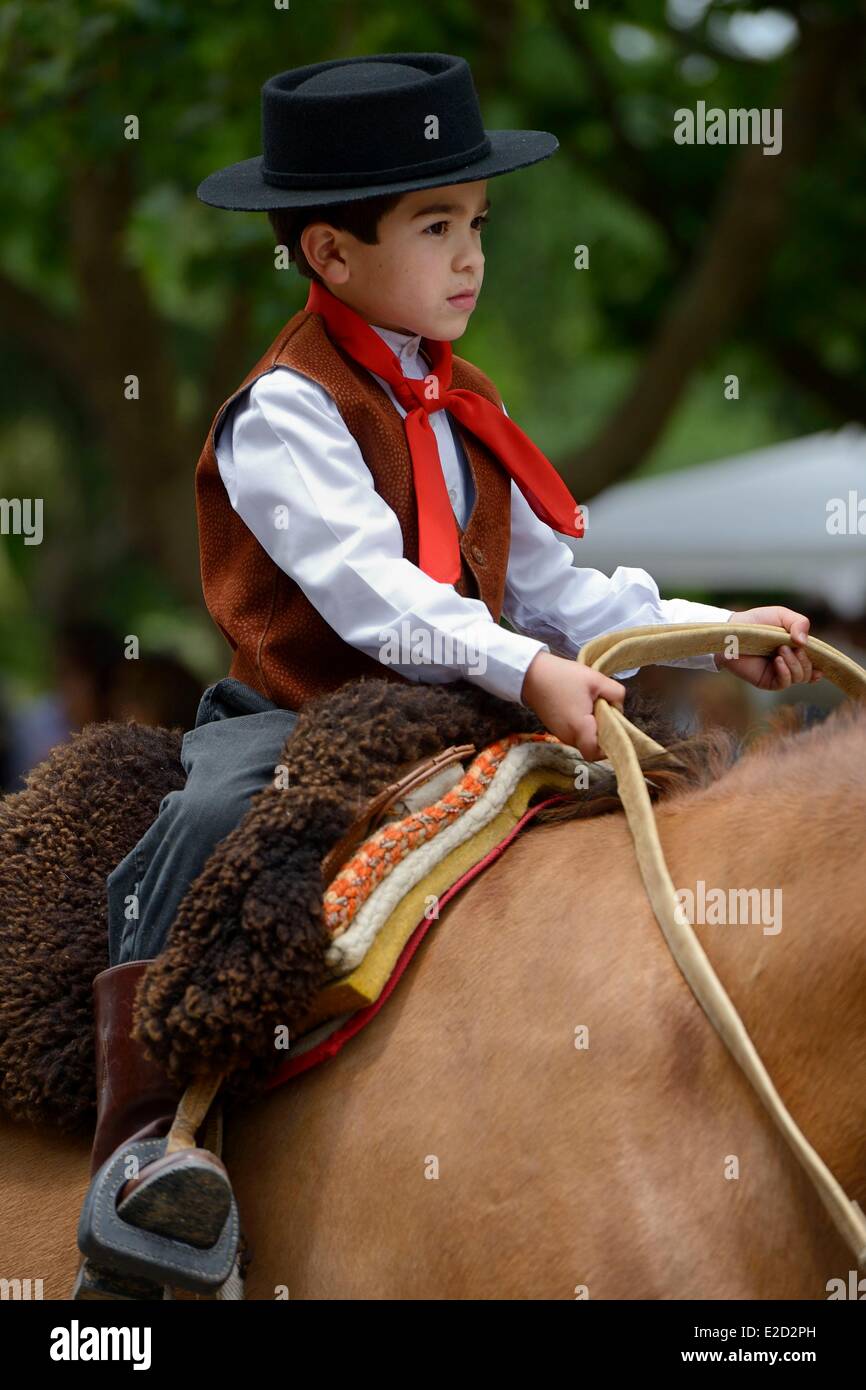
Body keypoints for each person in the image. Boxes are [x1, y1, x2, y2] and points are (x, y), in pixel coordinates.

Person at [79, 52, 823, 1294]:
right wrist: (528, 672)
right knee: (207, 820)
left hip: (464, 707)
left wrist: (706, 631)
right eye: (436, 228)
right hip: (301, 712)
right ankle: (144, 1151)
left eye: (476, 223)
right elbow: (379, 599)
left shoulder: (462, 400)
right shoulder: (283, 413)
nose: (471, 256)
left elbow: (559, 590)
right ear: (328, 254)